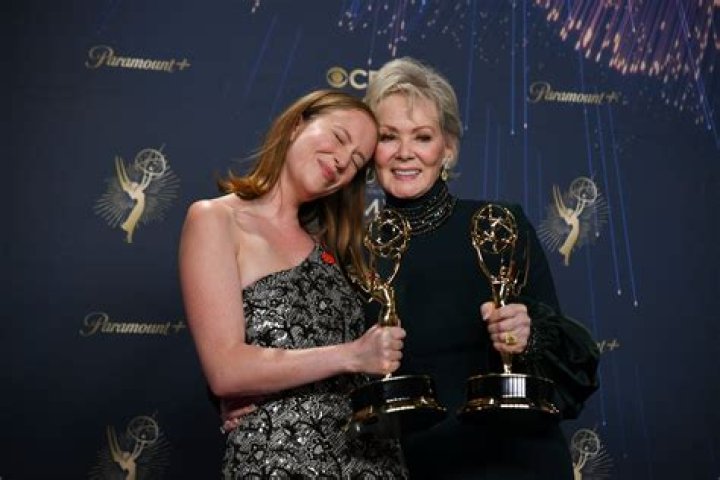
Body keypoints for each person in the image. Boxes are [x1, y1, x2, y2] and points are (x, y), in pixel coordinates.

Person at [361, 57, 600, 479]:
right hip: (417, 466)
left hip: (515, 462)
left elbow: (569, 366)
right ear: (369, 150)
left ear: (448, 147)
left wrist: (529, 335)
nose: (404, 153)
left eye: (422, 136)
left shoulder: (499, 225)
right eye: (388, 137)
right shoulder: (355, 251)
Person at [178, 89, 408, 479]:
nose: (342, 161)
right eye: (338, 137)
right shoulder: (216, 220)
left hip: (371, 464)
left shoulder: (335, 249)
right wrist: (351, 355)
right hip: (279, 462)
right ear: (297, 125)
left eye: (356, 162)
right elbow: (225, 370)